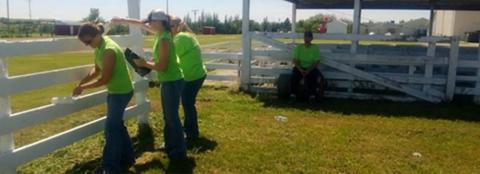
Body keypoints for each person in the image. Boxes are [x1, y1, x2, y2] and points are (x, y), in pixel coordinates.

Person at [111, 9, 187, 161]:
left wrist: (144, 63)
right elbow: (140, 23)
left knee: (172, 117)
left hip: (172, 81)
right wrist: (122, 20)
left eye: (152, 21)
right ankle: (170, 144)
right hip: (168, 80)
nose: (149, 24)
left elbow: (162, 66)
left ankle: (179, 151)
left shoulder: (164, 39)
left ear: (160, 22)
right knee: (168, 115)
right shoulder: (160, 33)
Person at [74, 23, 135, 173]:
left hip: (121, 92)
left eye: (88, 42)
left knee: (111, 130)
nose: (88, 45)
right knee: (117, 126)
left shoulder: (108, 50)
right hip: (116, 91)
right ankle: (128, 158)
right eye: (85, 43)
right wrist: (82, 82)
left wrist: (83, 88)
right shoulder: (99, 47)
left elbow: (104, 79)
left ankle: (111, 167)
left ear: (97, 35)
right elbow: (97, 70)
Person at [170, 17, 207, 142]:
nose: (169, 29)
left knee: (187, 104)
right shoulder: (186, 35)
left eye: (171, 26)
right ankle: (190, 130)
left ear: (178, 26)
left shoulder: (180, 38)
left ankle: (191, 133)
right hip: (196, 74)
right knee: (188, 103)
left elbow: (170, 56)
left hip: (192, 77)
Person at [291, 31, 322, 100]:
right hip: (300, 67)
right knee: (294, 74)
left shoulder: (315, 48)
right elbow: (295, 60)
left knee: (315, 75)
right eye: (305, 37)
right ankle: (293, 94)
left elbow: (317, 62)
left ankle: (312, 95)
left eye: (309, 37)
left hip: (310, 68)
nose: (307, 39)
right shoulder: (299, 47)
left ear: (311, 38)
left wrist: (308, 70)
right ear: (303, 38)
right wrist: (300, 69)